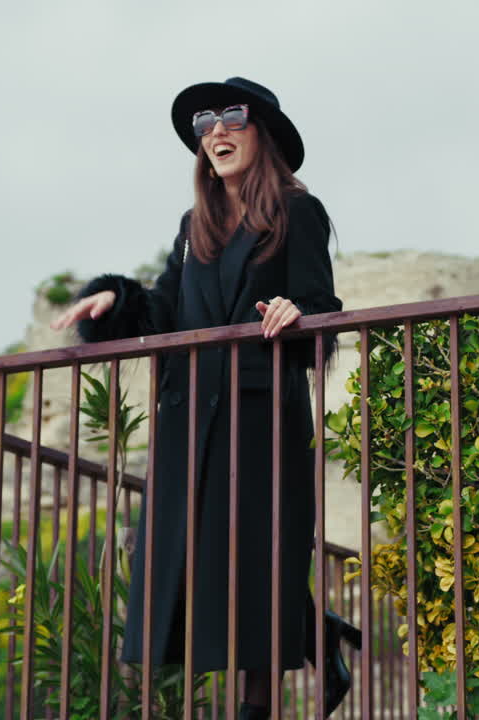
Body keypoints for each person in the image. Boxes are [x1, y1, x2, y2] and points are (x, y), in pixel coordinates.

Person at [51, 77, 359, 719]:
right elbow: (167, 310)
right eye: (202, 123)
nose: (214, 131)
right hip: (191, 419)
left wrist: (295, 310)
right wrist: (117, 300)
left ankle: (258, 706)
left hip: (258, 417)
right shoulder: (194, 227)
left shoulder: (298, 211)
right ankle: (319, 632)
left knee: (255, 562)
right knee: (201, 564)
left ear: (263, 131)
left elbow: (321, 303)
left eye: (230, 116)